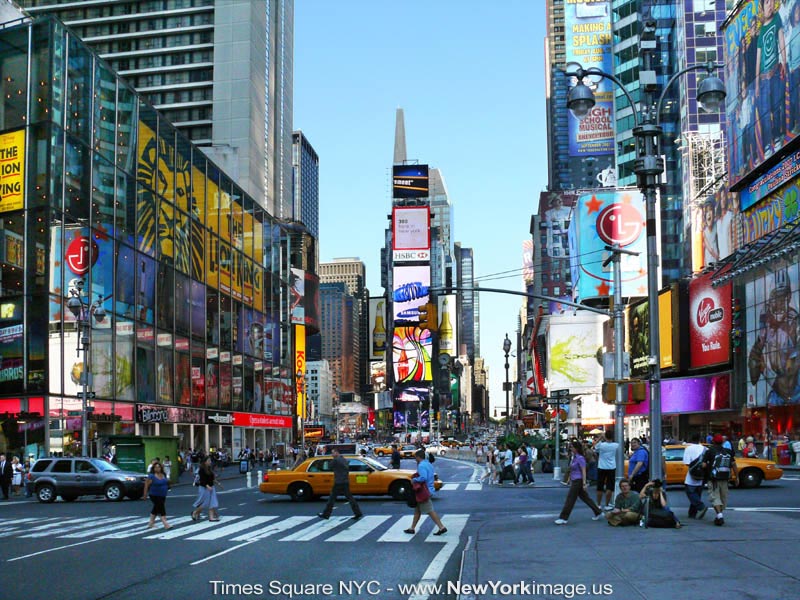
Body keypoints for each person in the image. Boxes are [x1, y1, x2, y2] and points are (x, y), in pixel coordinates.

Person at [554, 441, 604, 525]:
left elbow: (583, 470)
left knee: (570, 499)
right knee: (585, 498)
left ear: (576, 448)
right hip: (575, 480)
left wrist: (584, 483)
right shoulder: (575, 457)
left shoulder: (580, 458)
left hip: (578, 480)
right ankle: (598, 512)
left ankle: (563, 518)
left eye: (572, 447)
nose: (571, 448)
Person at [405, 449, 447, 536]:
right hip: (429, 489)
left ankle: (441, 527)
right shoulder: (429, 464)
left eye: (415, 457)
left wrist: (414, 480)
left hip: (424, 491)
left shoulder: (421, 465)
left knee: (430, 510)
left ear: (418, 457)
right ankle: (412, 528)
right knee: (417, 510)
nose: (415, 459)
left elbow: (423, 477)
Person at [317, 448, 362, 520]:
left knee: (331, 499)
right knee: (350, 498)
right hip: (345, 481)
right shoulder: (344, 459)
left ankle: (326, 514)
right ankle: (358, 512)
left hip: (338, 482)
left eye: (333, 453)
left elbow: (329, 467)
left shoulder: (335, 460)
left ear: (336, 453)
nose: (332, 455)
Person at [705, 433, 736, 526]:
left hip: (713, 478)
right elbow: (734, 464)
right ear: (722, 442)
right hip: (725, 478)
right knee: (723, 498)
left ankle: (719, 515)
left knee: (715, 497)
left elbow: (703, 464)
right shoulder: (728, 451)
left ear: (713, 441)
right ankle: (719, 515)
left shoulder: (710, 451)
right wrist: (737, 477)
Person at [682, 434, 709, 520]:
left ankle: (701, 507)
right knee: (697, 494)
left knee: (690, 493)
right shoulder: (705, 449)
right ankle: (692, 513)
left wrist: (694, 466)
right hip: (702, 475)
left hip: (691, 474)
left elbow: (686, 462)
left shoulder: (688, 449)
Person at [593, 431, 619, 510]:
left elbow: (594, 446)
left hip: (601, 467)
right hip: (611, 467)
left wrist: (601, 438)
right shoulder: (616, 445)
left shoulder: (601, 445)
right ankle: (607, 504)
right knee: (609, 487)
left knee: (600, 486)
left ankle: (598, 504)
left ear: (605, 437)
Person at [142, 461, 172, 529]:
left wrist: (169, 483)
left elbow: (167, 482)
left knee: (156, 508)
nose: (157, 468)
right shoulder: (151, 476)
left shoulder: (163, 474)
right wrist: (145, 494)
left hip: (163, 494)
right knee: (161, 508)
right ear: (153, 468)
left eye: (159, 467)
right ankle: (166, 524)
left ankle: (150, 523)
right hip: (154, 495)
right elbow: (146, 485)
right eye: (156, 467)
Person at [191, 457, 222, 522]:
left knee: (212, 502)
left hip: (211, 487)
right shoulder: (201, 469)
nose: (210, 462)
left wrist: (218, 483)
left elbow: (212, 478)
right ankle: (195, 512)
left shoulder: (209, 469)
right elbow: (202, 480)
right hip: (204, 488)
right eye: (209, 460)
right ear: (205, 462)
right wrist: (207, 486)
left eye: (210, 460)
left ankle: (211, 517)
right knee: (205, 503)